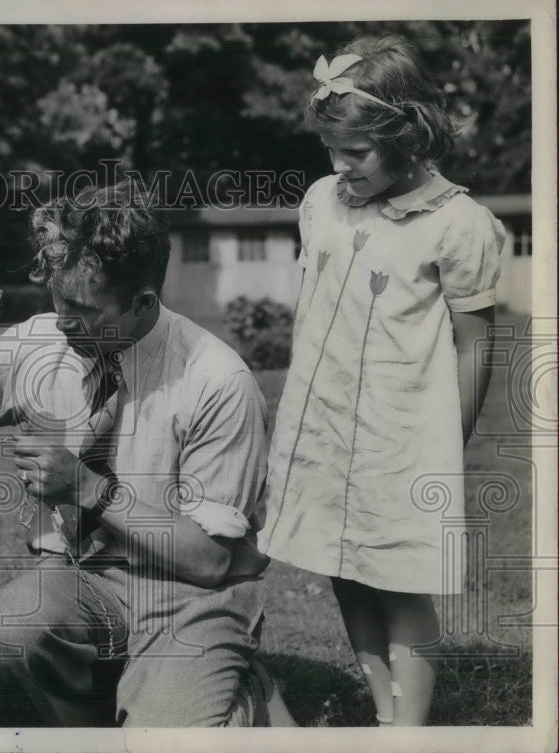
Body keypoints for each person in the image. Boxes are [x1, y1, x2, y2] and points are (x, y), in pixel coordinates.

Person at [0, 180, 295, 727]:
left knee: (165, 738)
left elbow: (210, 561)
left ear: (143, 303)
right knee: (16, 624)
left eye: (84, 309)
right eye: (58, 300)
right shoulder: (38, 343)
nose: (64, 320)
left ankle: (238, 688)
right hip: (81, 580)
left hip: (190, 593)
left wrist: (88, 489)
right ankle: (110, 705)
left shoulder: (217, 380)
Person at [258, 35, 504, 726]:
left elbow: (476, 344)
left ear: (408, 133)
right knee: (343, 564)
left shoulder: (458, 223)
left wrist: (447, 445)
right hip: (327, 424)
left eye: (356, 152)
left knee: (402, 580)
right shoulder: (321, 203)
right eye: (331, 151)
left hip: (405, 434)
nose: (340, 167)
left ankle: (412, 729)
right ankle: (385, 710)